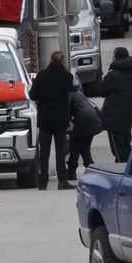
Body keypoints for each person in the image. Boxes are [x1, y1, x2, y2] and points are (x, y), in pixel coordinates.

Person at [28, 51, 75, 188]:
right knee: (60, 150)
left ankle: (43, 182)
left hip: (45, 118)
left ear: (50, 60)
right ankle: (62, 180)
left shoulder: (41, 75)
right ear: (63, 61)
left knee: (44, 151)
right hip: (61, 118)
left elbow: (32, 95)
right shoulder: (67, 76)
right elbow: (70, 91)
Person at [99, 48, 132, 161]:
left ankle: (125, 169)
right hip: (127, 116)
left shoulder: (113, 75)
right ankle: (129, 165)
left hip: (114, 117)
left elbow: (101, 91)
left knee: (117, 149)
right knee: (125, 145)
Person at [66, 81, 103, 181]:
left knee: (74, 147)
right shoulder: (80, 95)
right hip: (95, 123)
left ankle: (71, 172)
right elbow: (95, 108)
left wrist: (65, 128)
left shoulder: (68, 96)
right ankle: (92, 170)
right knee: (85, 148)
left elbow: (67, 114)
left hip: (83, 123)